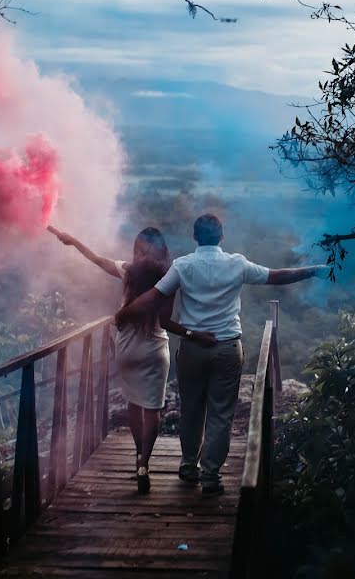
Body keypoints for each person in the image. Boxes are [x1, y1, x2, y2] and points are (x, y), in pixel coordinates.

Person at [115, 213, 327, 497]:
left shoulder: (183, 265)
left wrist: (125, 313)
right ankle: (211, 476)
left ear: (195, 237)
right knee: (221, 414)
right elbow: (276, 276)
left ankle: (189, 467)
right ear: (221, 237)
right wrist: (313, 270)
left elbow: (154, 297)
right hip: (227, 347)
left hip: (192, 349)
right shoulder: (237, 263)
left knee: (192, 410)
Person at [52, 226, 215, 494]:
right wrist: (193, 334)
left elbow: (97, 260)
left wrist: (73, 241)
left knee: (133, 403)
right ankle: (145, 463)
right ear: (162, 250)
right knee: (153, 408)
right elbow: (167, 322)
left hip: (126, 349)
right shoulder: (168, 277)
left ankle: (138, 456)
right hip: (154, 350)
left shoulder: (129, 272)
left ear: (139, 250)